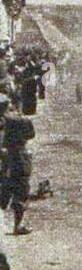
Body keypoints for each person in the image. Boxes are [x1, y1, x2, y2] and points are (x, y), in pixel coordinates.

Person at [0, 95, 34, 235]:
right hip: (17, 157)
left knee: (5, 191)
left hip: (5, 160)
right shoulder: (18, 120)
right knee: (21, 191)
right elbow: (31, 134)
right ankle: (17, 226)